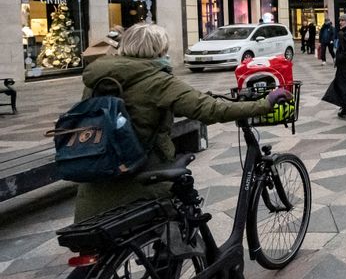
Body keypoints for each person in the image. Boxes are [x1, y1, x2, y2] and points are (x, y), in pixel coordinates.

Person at [73, 23, 290, 222]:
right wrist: (265, 103)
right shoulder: (156, 80)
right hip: (142, 174)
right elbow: (211, 110)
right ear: (158, 50)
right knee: (182, 212)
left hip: (95, 178)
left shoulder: (100, 79)